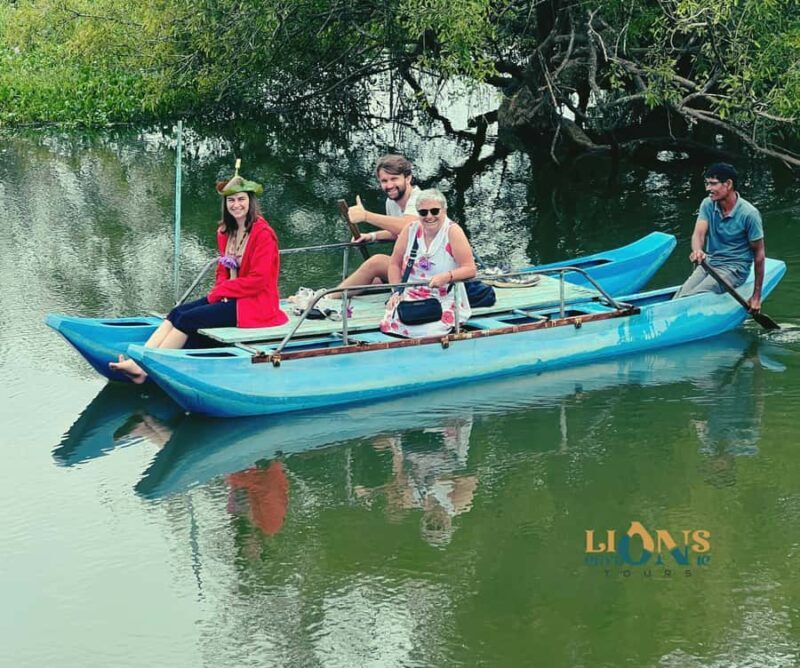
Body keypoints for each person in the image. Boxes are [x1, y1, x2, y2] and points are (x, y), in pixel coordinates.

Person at [110, 171, 288, 383]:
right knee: (177, 313)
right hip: (231, 297)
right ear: (225, 204)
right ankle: (139, 360)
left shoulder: (263, 234)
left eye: (241, 199)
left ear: (251, 202)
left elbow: (260, 280)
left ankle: (146, 370)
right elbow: (222, 269)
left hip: (255, 305)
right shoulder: (225, 232)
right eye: (231, 200)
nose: (236, 205)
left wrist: (222, 291)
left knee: (188, 319)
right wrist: (221, 291)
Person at [380, 189, 476, 338]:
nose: (429, 216)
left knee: (430, 330)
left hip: (444, 295)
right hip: (410, 293)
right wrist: (397, 291)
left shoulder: (453, 232)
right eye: (423, 213)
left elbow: (470, 269)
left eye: (435, 211)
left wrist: (447, 276)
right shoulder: (410, 229)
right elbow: (394, 263)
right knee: (390, 323)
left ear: (444, 210)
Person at [673, 163, 765, 312]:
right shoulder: (707, 204)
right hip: (709, 263)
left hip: (734, 269)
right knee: (679, 297)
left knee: (690, 299)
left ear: (728, 184)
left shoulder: (749, 214)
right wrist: (697, 250)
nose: (708, 188)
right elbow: (699, 233)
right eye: (707, 183)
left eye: (713, 184)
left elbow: (759, 254)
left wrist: (756, 296)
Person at [334, 154, 423, 293]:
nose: (389, 185)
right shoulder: (391, 202)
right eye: (384, 181)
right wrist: (372, 236)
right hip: (409, 267)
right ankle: (326, 299)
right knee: (364, 282)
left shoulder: (421, 199)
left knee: (376, 262)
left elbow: (408, 226)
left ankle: (325, 301)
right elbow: (397, 232)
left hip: (428, 270)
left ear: (408, 178)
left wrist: (366, 216)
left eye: (394, 179)